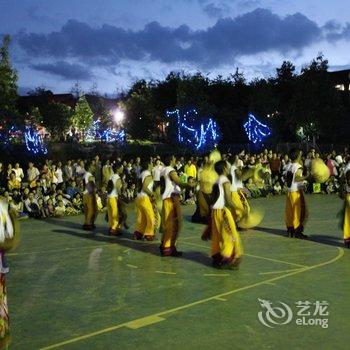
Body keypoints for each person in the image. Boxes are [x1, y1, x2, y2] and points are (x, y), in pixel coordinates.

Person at [205, 160, 243, 269]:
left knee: (218, 236)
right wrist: (240, 208)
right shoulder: (225, 181)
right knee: (230, 235)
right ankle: (228, 258)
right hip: (222, 211)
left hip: (214, 212)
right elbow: (228, 199)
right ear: (225, 169)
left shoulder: (216, 180)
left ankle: (217, 258)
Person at [160, 155, 194, 256]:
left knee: (170, 224)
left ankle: (168, 246)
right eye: (174, 158)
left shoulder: (163, 170)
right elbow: (179, 182)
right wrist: (190, 185)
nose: (176, 160)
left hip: (168, 199)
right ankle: (167, 248)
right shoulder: (170, 170)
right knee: (173, 225)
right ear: (171, 160)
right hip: (171, 199)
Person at [284, 149, 309, 239]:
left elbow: (288, 179)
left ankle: (290, 230)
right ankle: (298, 231)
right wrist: (308, 176)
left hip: (290, 192)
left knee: (290, 212)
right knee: (300, 213)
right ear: (298, 156)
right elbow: (297, 178)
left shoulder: (289, 166)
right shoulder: (298, 166)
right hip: (296, 193)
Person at [133, 161, 160, 241]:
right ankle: (149, 234)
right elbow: (145, 188)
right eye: (151, 163)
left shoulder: (142, 173)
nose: (152, 164)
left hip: (138, 197)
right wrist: (152, 194)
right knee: (150, 216)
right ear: (148, 164)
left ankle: (138, 233)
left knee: (141, 217)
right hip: (144, 197)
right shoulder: (148, 174)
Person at [106, 163, 123, 235]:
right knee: (115, 214)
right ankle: (114, 229)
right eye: (121, 168)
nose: (122, 169)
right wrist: (121, 197)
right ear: (118, 169)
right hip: (114, 198)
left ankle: (111, 227)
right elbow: (118, 189)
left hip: (109, 197)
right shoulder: (118, 178)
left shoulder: (111, 176)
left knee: (110, 214)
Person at [82, 165, 97, 230]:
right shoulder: (89, 175)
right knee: (91, 210)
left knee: (87, 210)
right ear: (90, 167)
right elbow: (91, 185)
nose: (94, 167)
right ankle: (89, 224)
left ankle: (88, 223)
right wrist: (94, 192)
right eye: (93, 166)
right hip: (89, 194)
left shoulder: (85, 174)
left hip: (85, 193)